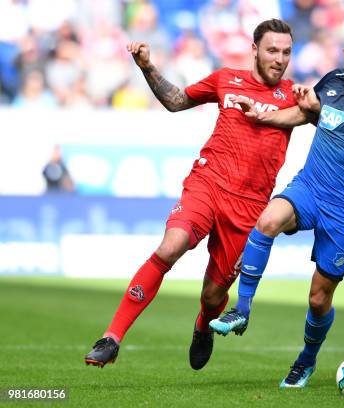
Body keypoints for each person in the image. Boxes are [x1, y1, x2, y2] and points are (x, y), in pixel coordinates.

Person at [84, 19, 296, 370]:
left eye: (286, 52)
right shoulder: (226, 79)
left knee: (213, 296)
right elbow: (177, 100)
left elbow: (330, 117)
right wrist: (148, 67)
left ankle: (203, 326)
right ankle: (112, 337)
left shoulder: (294, 96)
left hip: (249, 207)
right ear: (254, 49)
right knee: (171, 246)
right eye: (272, 50)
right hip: (208, 183)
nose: (279, 58)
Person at [209, 22, 344, 387]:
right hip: (311, 186)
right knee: (267, 221)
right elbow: (305, 113)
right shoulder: (331, 81)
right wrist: (263, 117)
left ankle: (306, 359)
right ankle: (242, 310)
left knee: (318, 299)